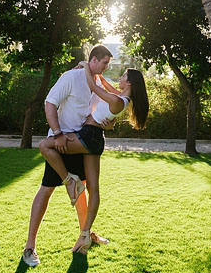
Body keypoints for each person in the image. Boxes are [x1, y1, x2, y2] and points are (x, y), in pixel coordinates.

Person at [38, 56, 149, 254]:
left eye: (123, 75)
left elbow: (94, 85)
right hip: (95, 138)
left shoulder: (117, 99)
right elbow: (103, 84)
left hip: (89, 136)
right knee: (93, 188)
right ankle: (85, 235)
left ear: (129, 82)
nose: (120, 77)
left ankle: (69, 180)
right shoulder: (121, 96)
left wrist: (84, 67)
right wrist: (98, 75)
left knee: (46, 146)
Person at [21, 154, 110, 267]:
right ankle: (29, 247)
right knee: (47, 187)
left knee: (79, 185)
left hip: (78, 145)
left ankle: (85, 235)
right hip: (59, 147)